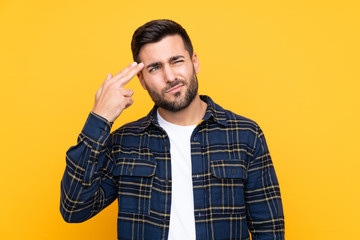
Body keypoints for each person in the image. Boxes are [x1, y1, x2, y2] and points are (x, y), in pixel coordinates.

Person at [60, 19, 285, 240]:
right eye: (155, 68)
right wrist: (99, 119)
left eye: (176, 61)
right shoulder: (124, 142)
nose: (169, 77)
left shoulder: (245, 135)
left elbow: (269, 230)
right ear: (142, 79)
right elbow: (74, 208)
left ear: (194, 62)